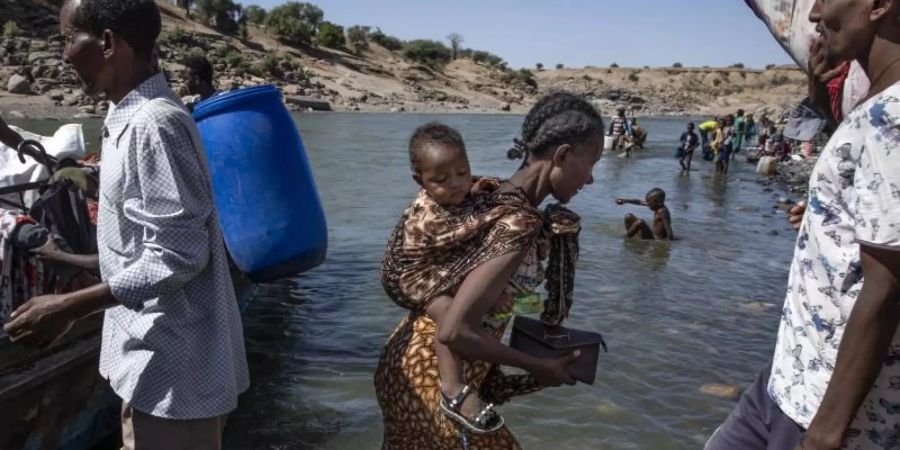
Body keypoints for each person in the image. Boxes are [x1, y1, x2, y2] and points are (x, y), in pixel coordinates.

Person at [2, 2, 248, 450]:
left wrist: (68, 307)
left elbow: (176, 256)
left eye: (68, 39)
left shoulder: (154, 124)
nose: (63, 55)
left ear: (109, 43)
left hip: (177, 374)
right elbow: (142, 232)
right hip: (146, 362)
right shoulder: (126, 120)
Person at [705, 1, 900, 449]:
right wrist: (824, 224)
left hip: (830, 412)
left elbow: (888, 287)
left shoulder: (892, 115)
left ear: (881, 6)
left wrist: (825, 433)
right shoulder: (875, 105)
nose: (813, 14)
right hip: (789, 379)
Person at [375, 92, 603, 449]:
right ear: (562, 156)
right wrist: (535, 365)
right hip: (432, 379)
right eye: (593, 162)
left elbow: (480, 315)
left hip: (416, 365)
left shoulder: (491, 199)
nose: (590, 179)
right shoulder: (516, 221)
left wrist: (537, 371)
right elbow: (455, 330)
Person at [386, 122, 513, 433]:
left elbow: (479, 188)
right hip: (418, 279)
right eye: (441, 180)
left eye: (462, 172)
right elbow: (431, 263)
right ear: (421, 181)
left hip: (442, 271)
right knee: (452, 320)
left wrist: (483, 187)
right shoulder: (424, 216)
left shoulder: (463, 190)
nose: (456, 184)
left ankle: (490, 374)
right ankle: (453, 389)